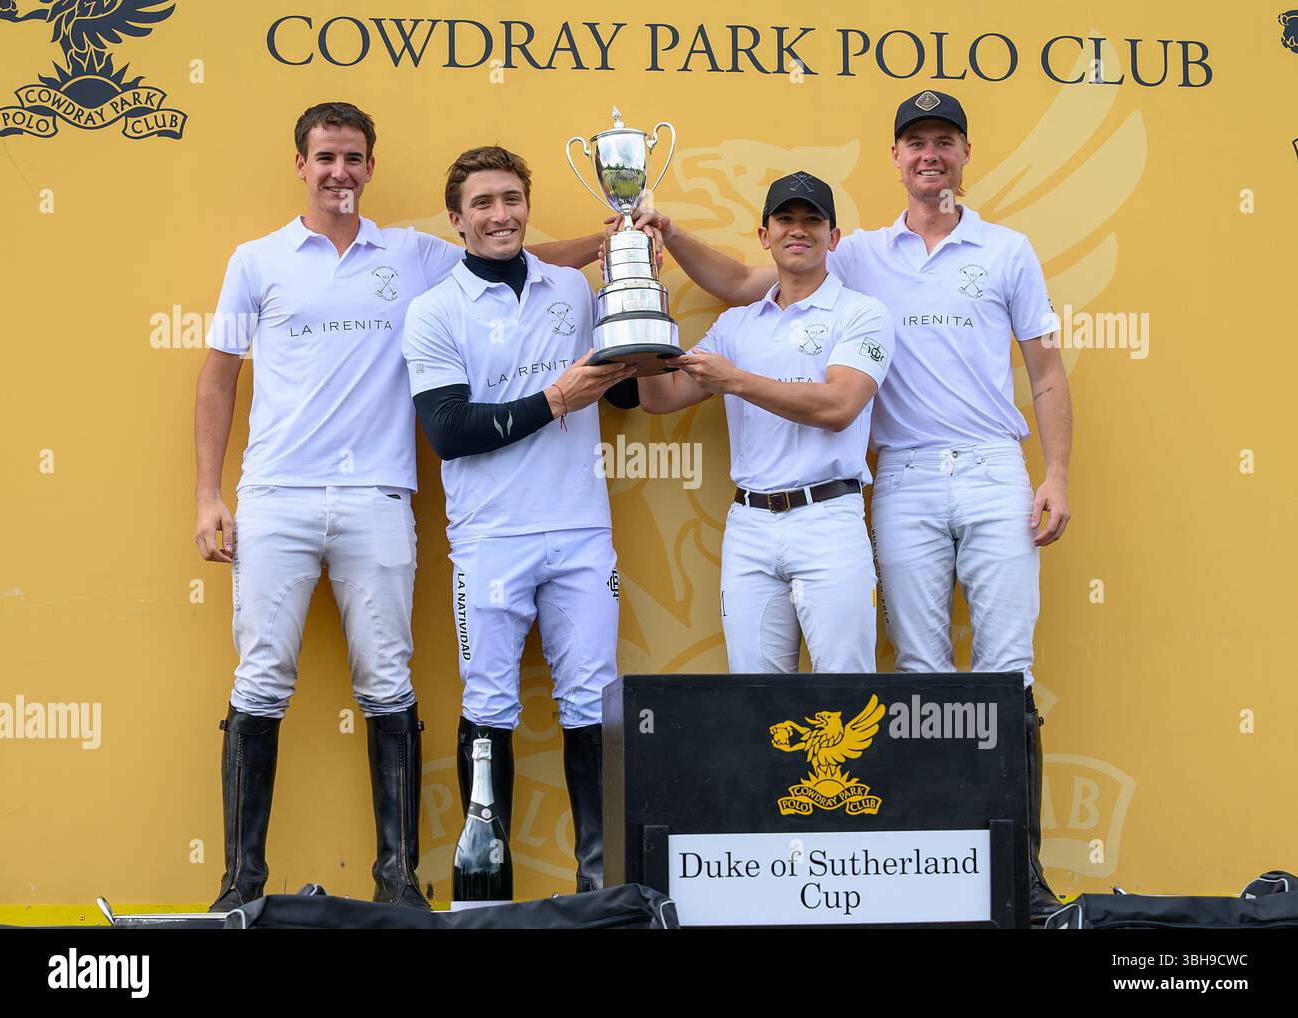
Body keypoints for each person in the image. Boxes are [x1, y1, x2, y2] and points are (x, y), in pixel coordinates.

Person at [641, 91, 1072, 921]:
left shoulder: (1010, 251)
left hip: (991, 470)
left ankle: (1020, 873)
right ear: (896, 158)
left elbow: (1046, 370)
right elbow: (736, 279)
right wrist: (657, 244)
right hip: (902, 477)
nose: (929, 155)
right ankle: (937, 864)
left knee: (1007, 675)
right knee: (917, 677)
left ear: (964, 154)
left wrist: (1055, 474)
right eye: (915, 142)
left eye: (943, 141)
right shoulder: (861, 255)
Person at [194, 103, 608, 911]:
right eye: (325, 158)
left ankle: (396, 883)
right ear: (301, 165)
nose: (339, 172)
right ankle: (239, 885)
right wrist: (209, 494)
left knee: (387, 684)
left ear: (371, 167)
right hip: (273, 495)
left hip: (381, 495)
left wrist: (613, 247)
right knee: (260, 681)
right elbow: (217, 375)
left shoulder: (417, 256)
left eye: (353, 158)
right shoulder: (257, 260)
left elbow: (507, 256)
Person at [401, 146, 636, 892]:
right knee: (489, 710)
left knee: (594, 702)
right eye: (482, 204)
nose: (499, 215)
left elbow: (625, 394)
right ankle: (484, 893)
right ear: (456, 220)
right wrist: (556, 401)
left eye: (511, 200)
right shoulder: (435, 309)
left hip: (579, 533)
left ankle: (601, 886)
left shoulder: (571, 288)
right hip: (489, 538)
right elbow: (449, 430)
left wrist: (635, 278)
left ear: (527, 207)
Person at [638, 173, 893, 673]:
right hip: (750, 525)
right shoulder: (736, 324)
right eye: (785, 220)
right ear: (764, 236)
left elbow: (838, 407)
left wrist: (736, 380)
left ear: (833, 238)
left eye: (812, 221)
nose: (798, 230)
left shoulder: (862, 313)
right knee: (755, 702)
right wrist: (643, 309)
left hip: (829, 519)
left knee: (845, 694)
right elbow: (662, 398)